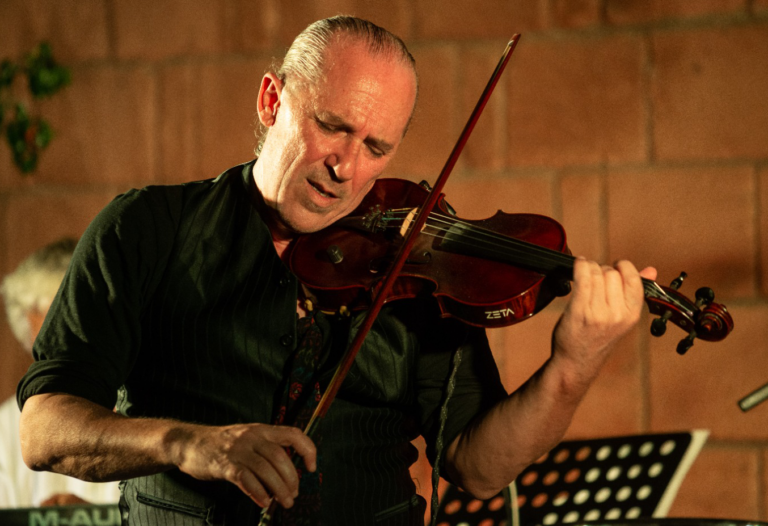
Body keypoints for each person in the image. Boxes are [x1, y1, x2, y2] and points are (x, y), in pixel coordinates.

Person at [16, 16, 656, 526]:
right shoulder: (148, 228)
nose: (346, 167)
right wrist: (186, 443)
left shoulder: (419, 263)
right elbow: (43, 430)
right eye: (331, 127)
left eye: (377, 147)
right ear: (272, 100)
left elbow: (478, 468)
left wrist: (572, 369)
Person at [0, 238, 120, 508]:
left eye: (67, 334)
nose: (52, 355)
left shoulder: (145, 408)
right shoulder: (7, 427)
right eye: (41, 342)